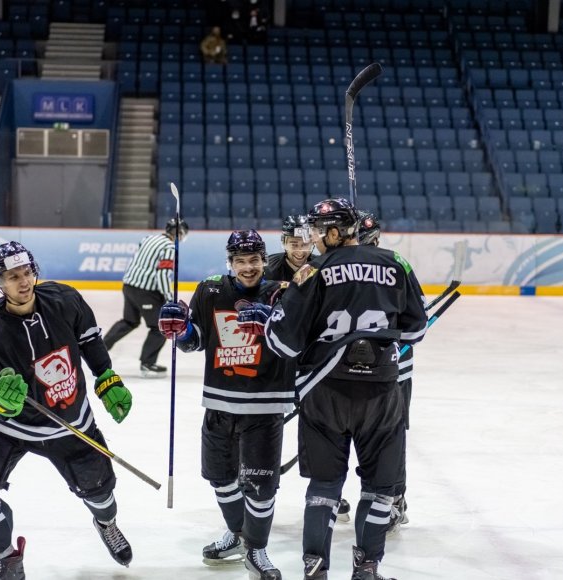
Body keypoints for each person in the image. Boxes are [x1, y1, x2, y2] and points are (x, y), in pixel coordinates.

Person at [264, 199, 428, 580]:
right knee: (379, 487)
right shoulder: (396, 263)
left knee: (324, 485)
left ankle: (316, 567)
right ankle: (367, 568)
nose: (315, 240)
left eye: (320, 232)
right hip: (382, 394)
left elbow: (283, 344)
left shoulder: (313, 270)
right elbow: (416, 330)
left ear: (336, 232)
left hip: (325, 392)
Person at [0, 241, 134, 580]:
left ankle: (106, 523)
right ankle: (7, 562)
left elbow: (89, 341)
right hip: (10, 428)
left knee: (101, 491)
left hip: (69, 423)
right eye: (12, 277)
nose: (23, 282)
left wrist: (106, 379)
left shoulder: (66, 300)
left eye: (26, 273)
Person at [157, 230, 295, 580]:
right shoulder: (211, 290)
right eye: (240, 261)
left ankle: (257, 549)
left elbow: (297, 346)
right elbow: (197, 340)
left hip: (264, 405)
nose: (247, 267)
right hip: (219, 402)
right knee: (220, 477)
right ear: (229, 263)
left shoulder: (283, 293)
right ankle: (238, 537)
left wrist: (273, 327)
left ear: (265, 260)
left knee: (261, 485)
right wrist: (181, 331)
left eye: (254, 260)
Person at [356, 211, 409, 535]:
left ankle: (396, 498)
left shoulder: (395, 263)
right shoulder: (341, 263)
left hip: (393, 366)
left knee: (393, 433)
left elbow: (410, 315)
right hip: (353, 368)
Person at [103, 218, 189, 378]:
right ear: (180, 233)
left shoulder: (148, 238)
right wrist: (169, 298)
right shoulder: (169, 247)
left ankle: (100, 348)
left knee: (129, 321)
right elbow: (162, 274)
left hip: (129, 286)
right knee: (159, 328)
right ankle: (147, 363)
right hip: (145, 291)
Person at [264, 214, 314, 282]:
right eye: (294, 245)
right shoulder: (268, 268)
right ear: (284, 243)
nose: (300, 252)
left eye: (305, 245)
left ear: (312, 243)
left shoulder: (322, 266)